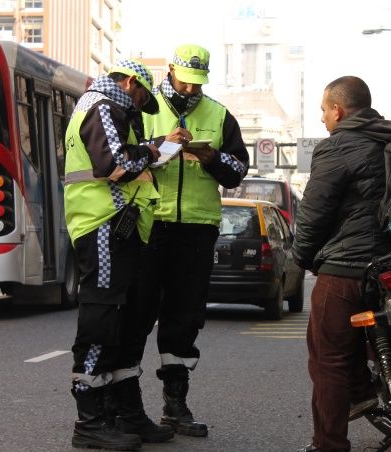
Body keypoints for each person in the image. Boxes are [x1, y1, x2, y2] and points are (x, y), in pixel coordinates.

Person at [140, 44, 249, 437]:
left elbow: (237, 169)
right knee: (136, 313)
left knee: (184, 318)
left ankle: (175, 404)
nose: (190, 90)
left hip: (198, 230)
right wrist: (162, 146)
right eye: (185, 81)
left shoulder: (219, 115)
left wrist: (211, 158)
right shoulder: (145, 108)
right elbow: (124, 160)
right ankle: (126, 407)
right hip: (149, 224)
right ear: (170, 71)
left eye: (197, 83)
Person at [64, 59, 174, 450]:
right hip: (103, 224)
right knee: (103, 314)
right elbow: (116, 164)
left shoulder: (104, 107)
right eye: (142, 98)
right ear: (129, 83)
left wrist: (151, 149)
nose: (140, 108)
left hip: (119, 227)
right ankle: (91, 421)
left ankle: (124, 413)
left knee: (127, 319)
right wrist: (150, 150)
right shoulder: (104, 106)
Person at [292, 76, 391, 452]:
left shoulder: (336, 146)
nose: (323, 119)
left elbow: (313, 213)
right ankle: (381, 394)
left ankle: (330, 444)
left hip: (347, 267)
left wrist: (302, 259)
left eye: (324, 111)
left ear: (338, 110)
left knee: (329, 356)